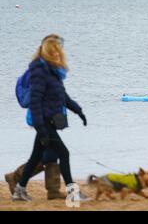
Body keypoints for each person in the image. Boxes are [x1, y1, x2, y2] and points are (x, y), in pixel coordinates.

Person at [12, 34, 90, 202]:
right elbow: (35, 101)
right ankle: (73, 193)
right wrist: (40, 127)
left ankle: (19, 190)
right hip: (45, 122)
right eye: (53, 51)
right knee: (64, 153)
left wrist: (79, 111)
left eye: (58, 51)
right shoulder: (39, 71)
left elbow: (63, 96)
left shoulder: (53, 71)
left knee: (35, 158)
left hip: (50, 122)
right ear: (46, 52)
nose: (57, 54)